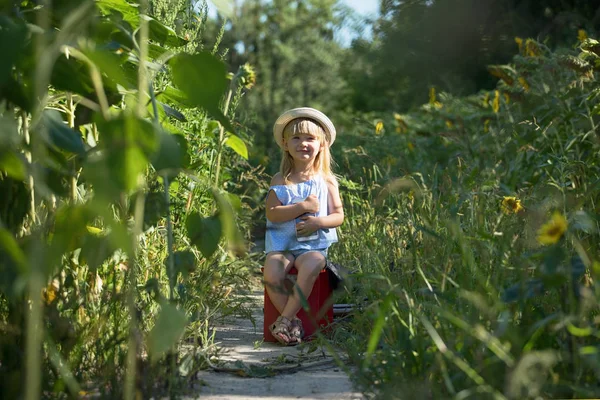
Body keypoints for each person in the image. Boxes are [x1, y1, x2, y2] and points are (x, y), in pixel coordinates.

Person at [263, 107, 344, 345]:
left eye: (310, 138)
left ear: (322, 145)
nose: (303, 143)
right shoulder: (281, 179)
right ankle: (293, 322)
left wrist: (319, 221)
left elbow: (338, 216)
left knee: (313, 265)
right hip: (282, 245)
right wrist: (303, 206)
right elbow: (272, 213)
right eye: (296, 138)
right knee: (273, 271)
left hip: (312, 246)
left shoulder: (327, 181)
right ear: (286, 144)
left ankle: (285, 320)